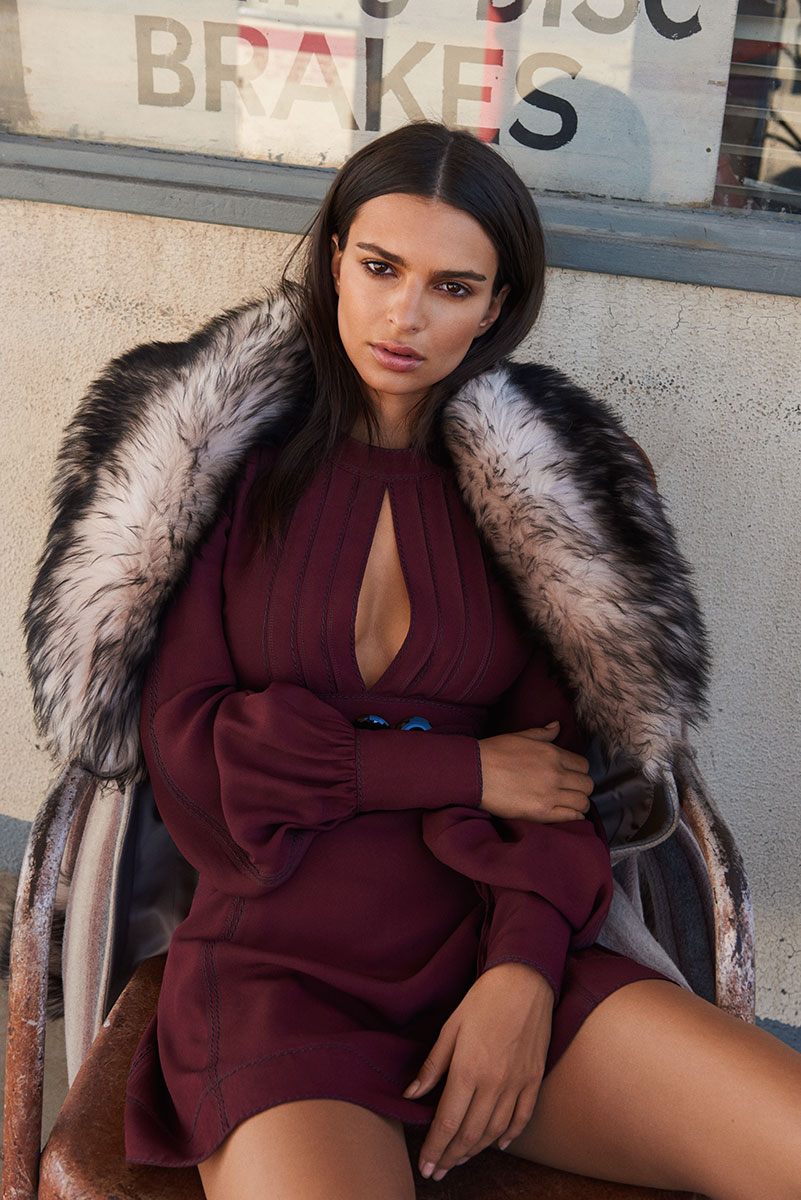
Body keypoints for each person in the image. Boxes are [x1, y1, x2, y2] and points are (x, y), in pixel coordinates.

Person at [24, 122, 801, 1200]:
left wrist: (522, 976)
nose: (405, 314)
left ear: (497, 305)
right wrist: (463, 769)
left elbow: (569, 785)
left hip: (498, 944)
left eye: (452, 285)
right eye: (382, 268)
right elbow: (195, 760)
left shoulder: (539, 496)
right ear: (334, 257)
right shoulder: (215, 466)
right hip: (277, 972)